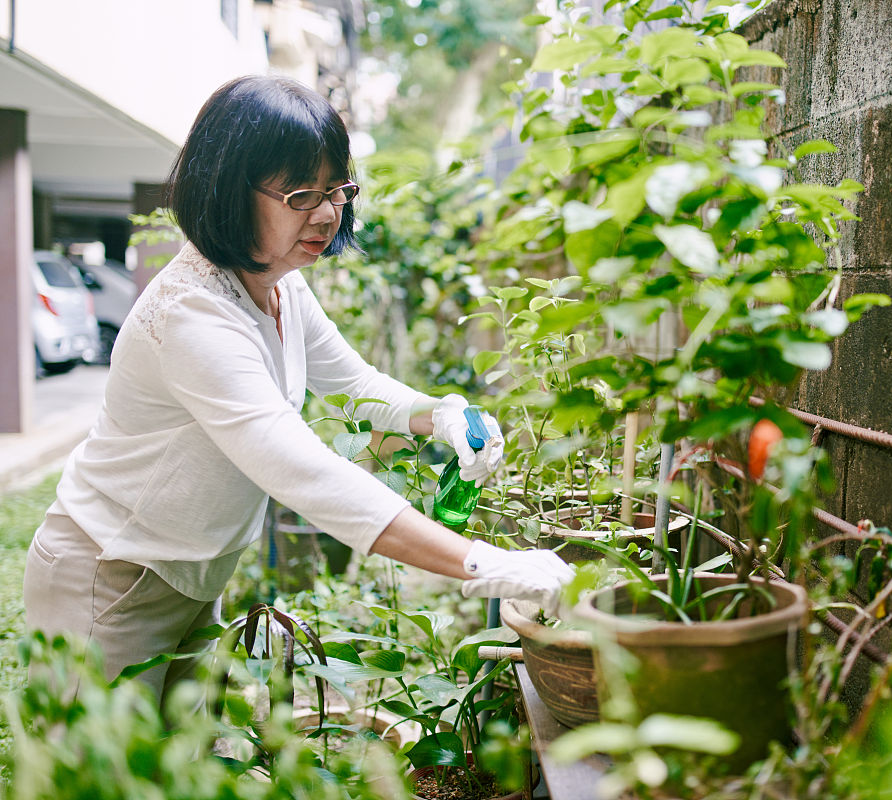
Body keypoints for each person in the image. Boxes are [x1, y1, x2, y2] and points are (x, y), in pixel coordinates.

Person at [22, 75, 572, 703]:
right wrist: (481, 562)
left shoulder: (278, 282)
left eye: (337, 189)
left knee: (178, 754)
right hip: (110, 576)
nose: (329, 213)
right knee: (103, 760)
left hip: (192, 574)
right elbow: (302, 471)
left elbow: (356, 383)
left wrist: (441, 414)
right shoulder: (191, 314)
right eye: (301, 194)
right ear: (229, 190)